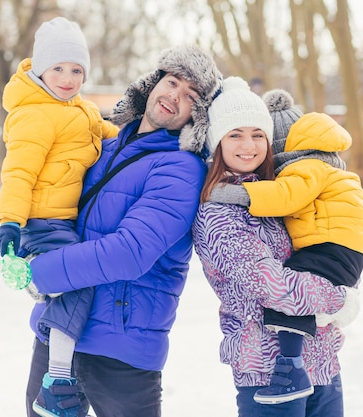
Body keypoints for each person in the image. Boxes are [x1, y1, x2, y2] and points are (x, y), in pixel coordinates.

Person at [22, 45, 220, 417]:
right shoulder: (102, 147)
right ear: (153, 83)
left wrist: (40, 272)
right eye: (172, 82)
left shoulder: (181, 169)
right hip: (58, 331)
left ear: (199, 114)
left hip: (121, 349)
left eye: (190, 96)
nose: (174, 96)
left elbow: (129, 252)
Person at [192, 76, 360, 417]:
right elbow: (271, 285)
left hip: (323, 364)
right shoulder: (218, 211)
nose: (248, 145)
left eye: (257, 134)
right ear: (217, 142)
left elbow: (326, 246)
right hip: (267, 374)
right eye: (235, 134)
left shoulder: (281, 195)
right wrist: (340, 298)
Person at [0, 16, 119, 417]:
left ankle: (44, 293)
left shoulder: (81, 109)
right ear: (41, 69)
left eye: (76, 70)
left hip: (66, 222)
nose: (68, 78)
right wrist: (9, 221)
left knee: (71, 289)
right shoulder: (34, 113)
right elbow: (18, 173)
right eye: (59, 69)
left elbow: (110, 134)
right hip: (43, 222)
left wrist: (146, 139)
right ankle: (57, 378)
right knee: (79, 284)